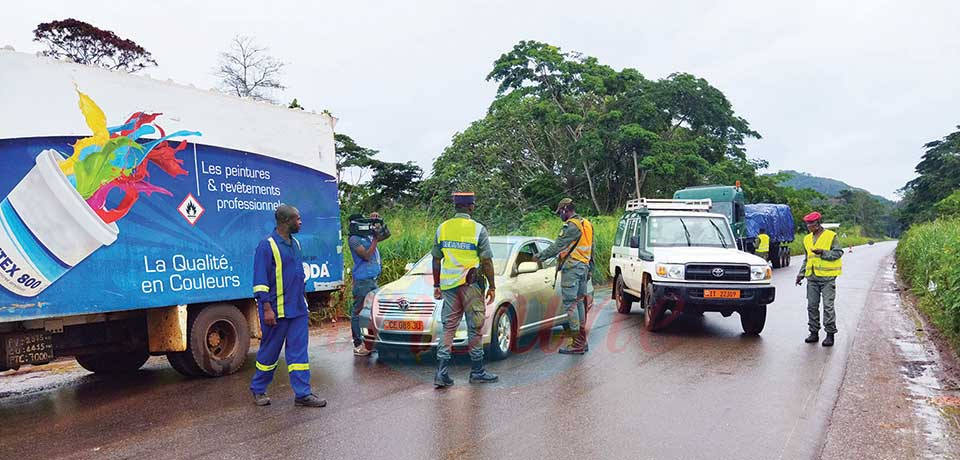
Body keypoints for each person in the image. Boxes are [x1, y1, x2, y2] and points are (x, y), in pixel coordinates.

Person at [250, 204, 326, 407]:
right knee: (269, 352)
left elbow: (298, 275)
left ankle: (303, 394)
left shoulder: (296, 244)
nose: (300, 222)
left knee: (299, 353)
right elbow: (260, 281)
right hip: (276, 311)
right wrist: (266, 308)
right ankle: (258, 389)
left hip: (298, 310)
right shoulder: (267, 246)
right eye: (297, 219)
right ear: (286, 221)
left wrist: (304, 300)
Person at [432, 192, 499, 388]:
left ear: (456, 207)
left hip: (449, 287)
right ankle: (477, 371)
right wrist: (492, 286)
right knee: (475, 327)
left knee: (449, 327)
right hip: (471, 285)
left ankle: (441, 372)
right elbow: (486, 260)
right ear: (471, 207)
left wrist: (436, 285)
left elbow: (436, 259)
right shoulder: (478, 229)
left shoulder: (442, 228)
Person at [533, 198, 594, 355]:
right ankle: (582, 341)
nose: (560, 215)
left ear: (566, 209)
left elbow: (557, 246)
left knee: (570, 304)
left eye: (560, 212)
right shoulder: (586, 223)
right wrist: (590, 269)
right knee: (579, 303)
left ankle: (577, 342)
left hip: (572, 268)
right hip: (583, 267)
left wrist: (539, 257)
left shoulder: (571, 226)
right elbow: (591, 249)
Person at [795, 211, 844, 347]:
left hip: (827, 278)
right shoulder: (807, 239)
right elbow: (807, 259)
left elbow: (838, 253)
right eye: (807, 224)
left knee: (828, 306)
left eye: (811, 224)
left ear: (817, 224)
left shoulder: (831, 236)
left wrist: (823, 253)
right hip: (812, 277)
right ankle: (814, 332)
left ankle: (830, 334)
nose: (808, 227)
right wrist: (801, 274)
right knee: (812, 306)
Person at [348, 212, 390, 357]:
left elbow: (387, 234)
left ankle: (369, 342)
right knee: (358, 311)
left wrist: (378, 222)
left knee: (372, 312)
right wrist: (375, 240)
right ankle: (358, 342)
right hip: (362, 280)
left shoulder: (367, 235)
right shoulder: (353, 239)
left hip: (372, 279)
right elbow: (366, 256)